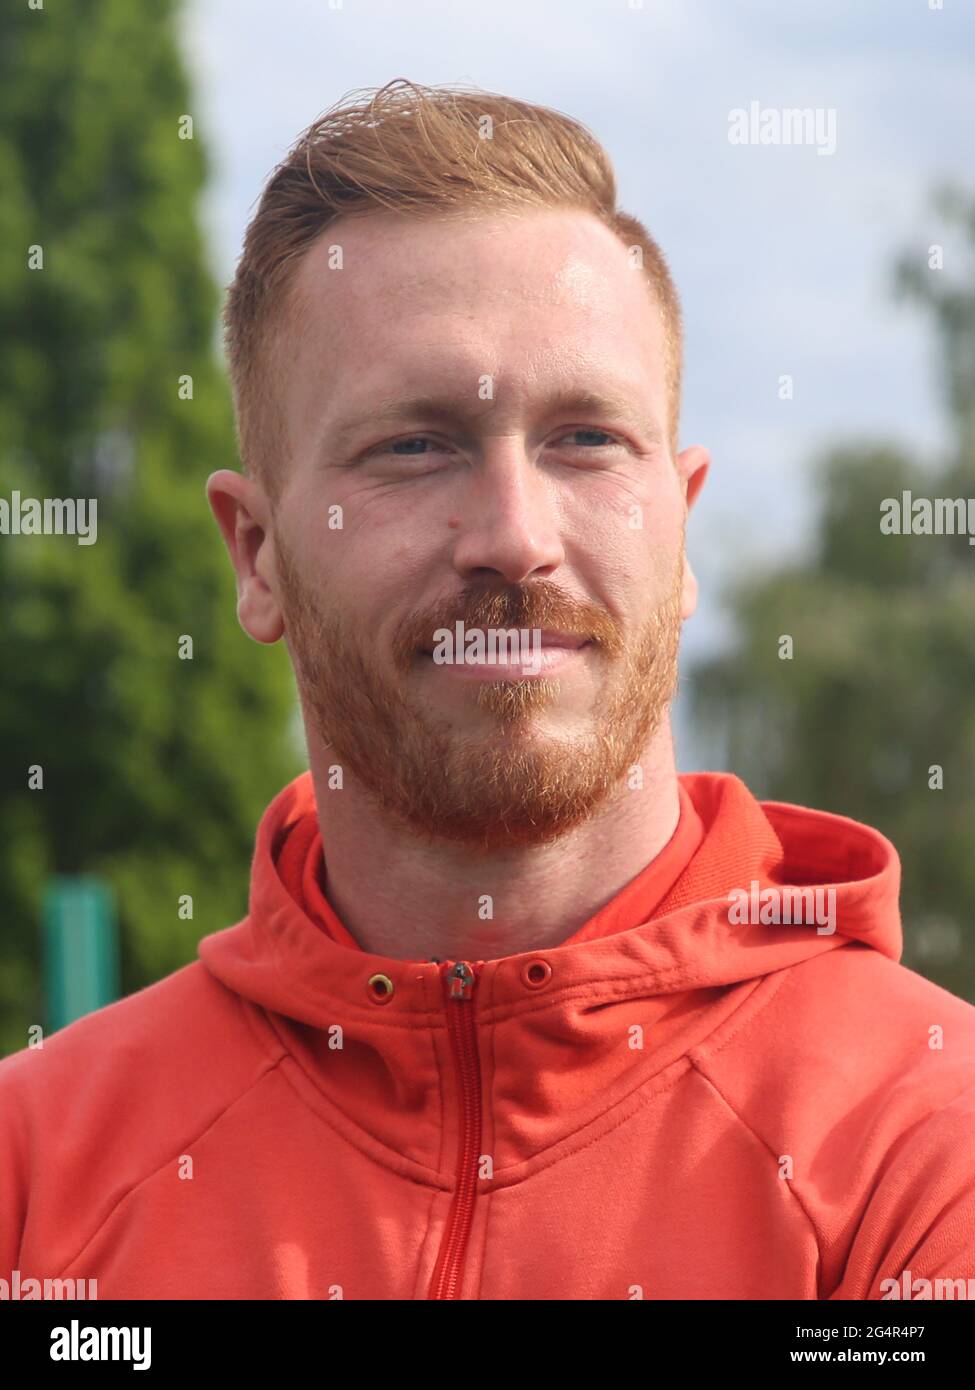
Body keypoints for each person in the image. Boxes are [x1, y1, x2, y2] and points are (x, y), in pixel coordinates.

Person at [2, 79, 974, 1302]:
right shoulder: (33, 1179)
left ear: (683, 533)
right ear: (256, 557)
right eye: (414, 445)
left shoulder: (930, 1144)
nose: (515, 538)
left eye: (585, 440)